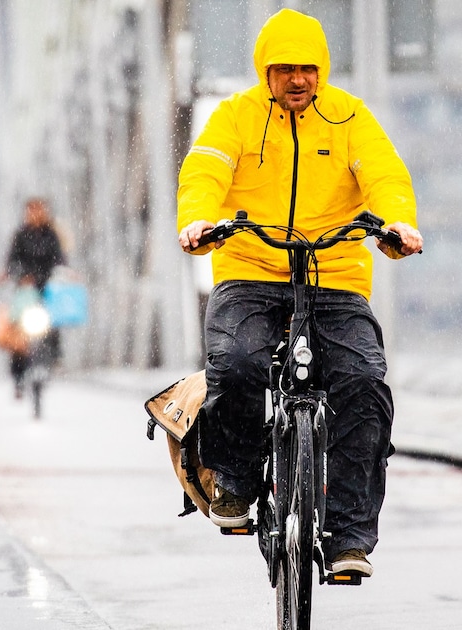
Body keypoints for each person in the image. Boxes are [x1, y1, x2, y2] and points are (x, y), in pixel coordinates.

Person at [176, 9, 423, 578]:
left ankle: (349, 535)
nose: (297, 79)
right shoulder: (234, 118)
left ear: (322, 70)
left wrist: (398, 224)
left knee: (363, 381)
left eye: (307, 68)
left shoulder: (349, 118)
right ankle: (235, 479)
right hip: (250, 265)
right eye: (285, 68)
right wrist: (198, 221)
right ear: (265, 70)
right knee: (235, 364)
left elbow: (383, 174)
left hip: (333, 273)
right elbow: (204, 173)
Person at [0, 197, 65, 397]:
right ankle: (18, 378)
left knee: (53, 324)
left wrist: (62, 273)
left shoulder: (52, 235)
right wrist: (18, 276)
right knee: (18, 335)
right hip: (25, 292)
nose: (36, 214)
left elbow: (60, 259)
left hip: (46, 290)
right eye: (32, 210)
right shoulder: (20, 235)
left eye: (39, 210)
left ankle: (54, 359)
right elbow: (12, 261)